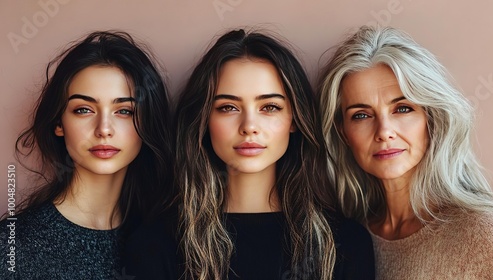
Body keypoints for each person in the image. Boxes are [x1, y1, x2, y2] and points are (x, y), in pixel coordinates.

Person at [125, 29, 374, 279]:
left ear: (294, 119)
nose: (249, 126)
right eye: (228, 107)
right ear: (204, 119)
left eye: (269, 107)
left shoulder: (344, 243)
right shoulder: (156, 244)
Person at [318, 25, 493, 279]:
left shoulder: (486, 235)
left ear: (431, 117)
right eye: (361, 115)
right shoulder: (343, 241)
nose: (384, 131)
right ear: (343, 133)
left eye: (402, 109)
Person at [0, 31, 172, 279]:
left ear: (148, 123)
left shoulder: (167, 241)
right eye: (83, 109)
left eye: (124, 111)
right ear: (59, 123)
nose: (104, 129)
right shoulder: (12, 248)